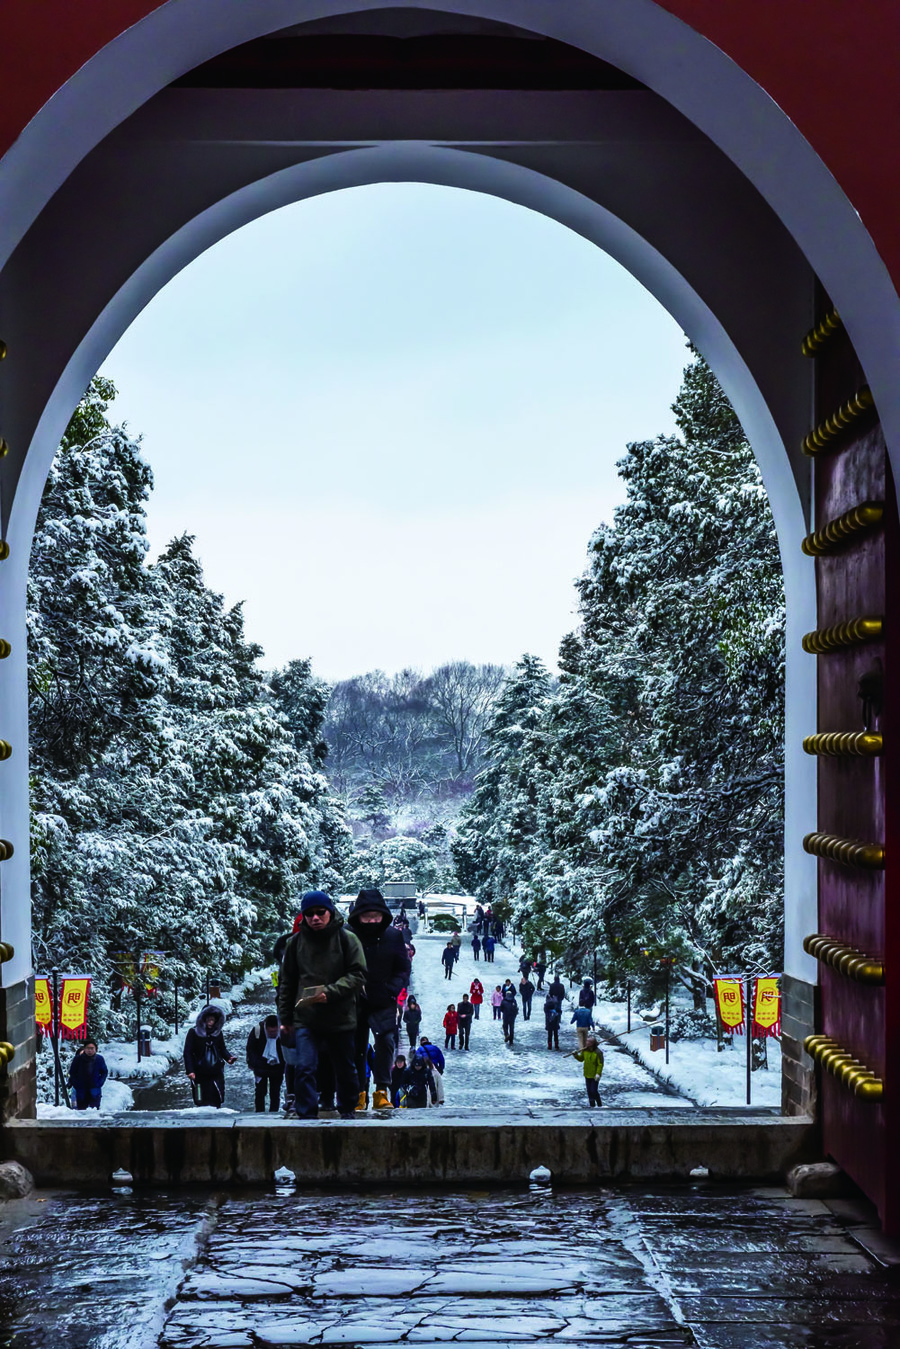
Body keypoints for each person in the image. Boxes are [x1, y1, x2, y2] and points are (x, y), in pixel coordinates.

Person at [277, 889, 367, 1119]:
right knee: (305, 1068)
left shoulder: (348, 939)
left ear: (330, 912)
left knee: (345, 1068)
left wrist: (332, 992)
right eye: (309, 914)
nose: (315, 918)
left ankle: (347, 1108)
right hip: (306, 1017)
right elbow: (287, 983)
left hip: (341, 1016)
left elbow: (358, 974)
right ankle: (307, 1114)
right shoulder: (295, 943)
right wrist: (285, 1019)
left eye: (320, 912)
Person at [348, 888, 411, 1112]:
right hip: (354, 1001)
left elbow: (403, 968)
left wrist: (391, 989)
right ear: (358, 915)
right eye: (367, 917)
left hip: (383, 1000)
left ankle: (382, 1090)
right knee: (356, 1047)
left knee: (385, 1043)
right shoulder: (348, 935)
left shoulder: (393, 936)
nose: (372, 921)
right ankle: (358, 1092)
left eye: (376, 916)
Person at [183, 1005, 236, 1107]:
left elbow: (222, 1048)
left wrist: (229, 1058)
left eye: (213, 1020)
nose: (211, 1022)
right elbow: (188, 1052)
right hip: (199, 1073)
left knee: (217, 1098)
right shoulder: (193, 1033)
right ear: (203, 1019)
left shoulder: (218, 1033)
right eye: (209, 1019)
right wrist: (190, 1070)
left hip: (216, 1071)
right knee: (200, 1100)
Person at [246, 1013, 286, 1113]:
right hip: (260, 1067)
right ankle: (259, 1112)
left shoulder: (283, 1032)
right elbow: (250, 1049)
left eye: (275, 1031)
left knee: (275, 1092)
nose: (273, 1033)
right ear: (266, 1027)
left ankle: (274, 1113)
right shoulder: (257, 1031)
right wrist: (255, 1064)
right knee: (260, 1091)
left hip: (277, 1068)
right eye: (270, 1031)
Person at [67, 1040, 108, 1110]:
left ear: (95, 1049)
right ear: (84, 1049)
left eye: (92, 1048)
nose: (90, 1050)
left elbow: (104, 1072)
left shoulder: (99, 1059)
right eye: (88, 1048)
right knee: (81, 1110)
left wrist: (99, 1083)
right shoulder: (78, 1059)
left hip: (95, 1088)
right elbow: (72, 1072)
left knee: (95, 1110)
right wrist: (76, 1084)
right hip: (81, 1089)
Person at [570, 1036, 604, 1107]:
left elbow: (600, 1064)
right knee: (589, 1091)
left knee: (593, 1090)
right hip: (587, 1073)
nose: (587, 1043)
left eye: (589, 1041)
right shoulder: (585, 1051)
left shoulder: (598, 1052)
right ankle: (592, 1105)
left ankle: (599, 1104)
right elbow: (581, 1059)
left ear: (593, 1043)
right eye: (586, 1041)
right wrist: (576, 1055)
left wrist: (598, 1073)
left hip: (595, 1075)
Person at [418, 1036, 445, 1104]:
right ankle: (436, 1099)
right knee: (436, 1084)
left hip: (424, 1069)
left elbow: (417, 1060)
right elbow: (442, 1059)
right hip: (434, 1067)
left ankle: (428, 1101)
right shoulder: (436, 1048)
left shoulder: (420, 1049)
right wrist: (441, 1069)